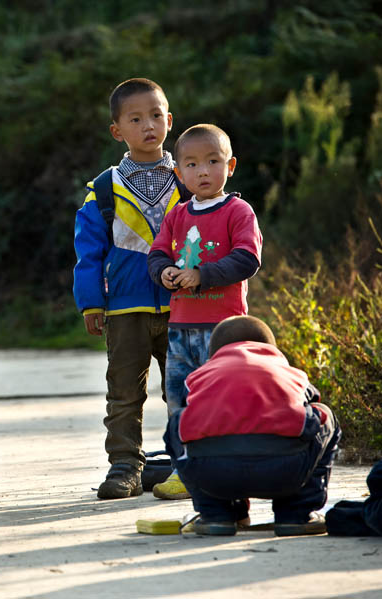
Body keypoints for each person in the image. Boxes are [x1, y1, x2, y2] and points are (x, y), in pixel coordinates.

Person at [72, 78, 188, 499]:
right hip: (124, 307)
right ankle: (124, 467)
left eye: (156, 116)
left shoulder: (188, 177)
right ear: (117, 131)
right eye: (136, 119)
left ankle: (188, 464)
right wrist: (91, 303)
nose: (149, 126)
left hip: (184, 306)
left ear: (170, 120)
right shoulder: (104, 189)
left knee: (185, 389)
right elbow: (88, 252)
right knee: (124, 394)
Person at [147, 123, 263, 500]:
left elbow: (247, 259)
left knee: (222, 402)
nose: (203, 171)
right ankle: (186, 471)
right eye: (193, 164)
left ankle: (229, 469)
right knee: (180, 400)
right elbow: (158, 253)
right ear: (179, 173)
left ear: (230, 166)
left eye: (212, 162)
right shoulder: (177, 214)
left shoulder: (238, 211)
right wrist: (163, 271)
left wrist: (202, 276)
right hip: (180, 330)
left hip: (223, 331)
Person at [164, 315, 340, 536]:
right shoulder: (292, 374)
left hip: (212, 473)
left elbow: (184, 422)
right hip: (284, 470)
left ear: (215, 352)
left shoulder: (198, 377)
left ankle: (215, 514)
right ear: (271, 348)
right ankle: (296, 514)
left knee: (176, 424)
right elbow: (313, 410)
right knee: (325, 414)